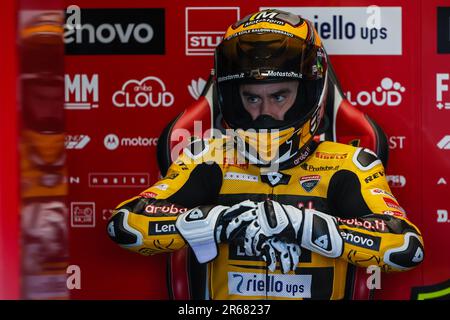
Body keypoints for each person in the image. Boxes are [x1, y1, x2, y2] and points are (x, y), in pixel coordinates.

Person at [107, 9, 424, 300]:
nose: (266, 113)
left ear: (311, 90)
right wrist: (219, 222)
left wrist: (303, 225)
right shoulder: (205, 157)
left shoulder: (349, 163)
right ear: (232, 97)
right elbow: (126, 223)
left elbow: (405, 246)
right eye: (251, 97)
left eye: (280, 95)